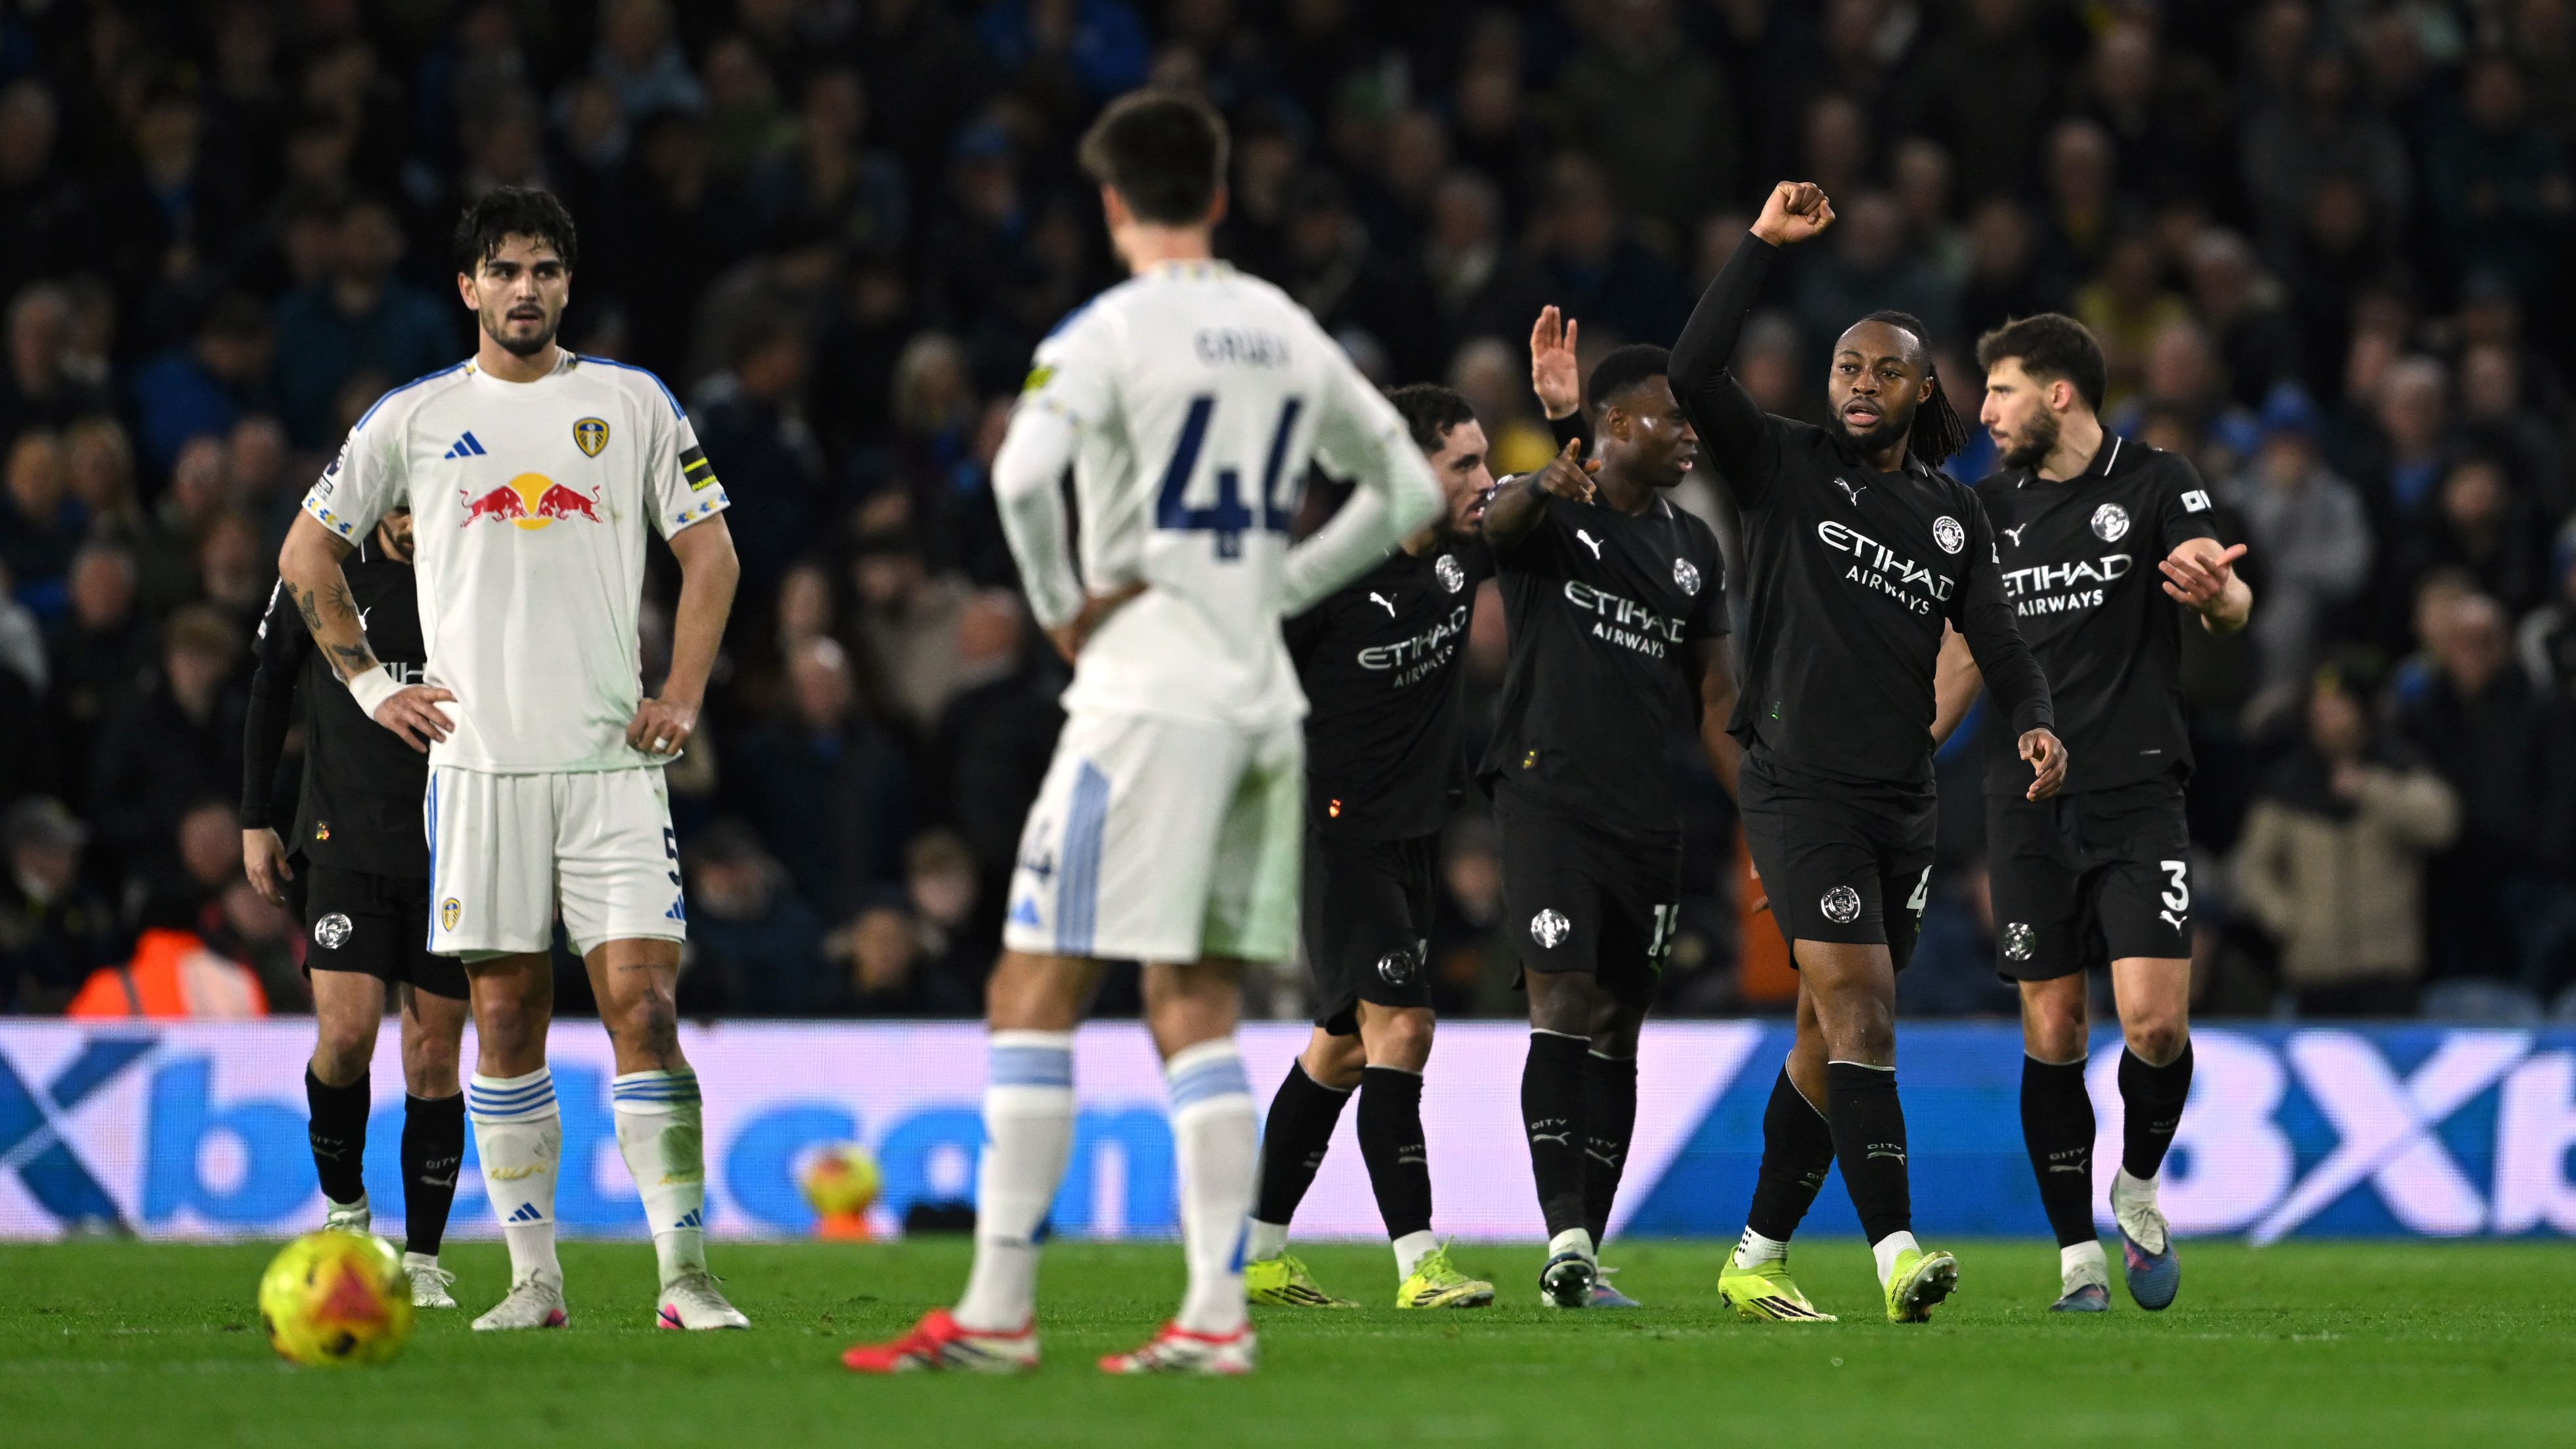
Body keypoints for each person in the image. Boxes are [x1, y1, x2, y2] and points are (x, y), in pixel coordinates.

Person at [841, 89, 1439, 1378]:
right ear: (1216, 197)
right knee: (1194, 1002)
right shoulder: (1283, 327)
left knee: (1032, 986)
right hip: (1259, 710)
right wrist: (1279, 585)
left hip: (1145, 696)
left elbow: (1017, 475)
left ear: (1112, 204)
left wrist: (1060, 605)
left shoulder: (1105, 331)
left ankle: (997, 1312)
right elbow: (1403, 485)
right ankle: (1214, 1317)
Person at [274, 186, 747, 1333]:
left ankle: (685, 1278)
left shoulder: (631, 402)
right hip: (479, 775)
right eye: (503, 270)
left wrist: (682, 693)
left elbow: (712, 553)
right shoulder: (414, 417)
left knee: (645, 1006)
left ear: (566, 285)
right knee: (503, 1020)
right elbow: (305, 556)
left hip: (609, 766)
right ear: (467, 288)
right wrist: (373, 686)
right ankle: (535, 1282)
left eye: (542, 269)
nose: (523, 289)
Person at [1670, 182, 2063, 1326]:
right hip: (1795, 785)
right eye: (1845, 366)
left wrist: (2035, 717)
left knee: (1821, 1032)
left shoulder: (1951, 515)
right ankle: (1895, 1250)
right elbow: (1692, 372)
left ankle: (1754, 1256)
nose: (1856, 383)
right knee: (1862, 1006)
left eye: (1882, 370)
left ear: (1919, 390)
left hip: (1900, 798)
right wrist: (1758, 246)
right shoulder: (1779, 465)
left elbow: (1998, 642)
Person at [1931, 313, 2252, 1314]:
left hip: (2137, 789)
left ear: (2057, 393)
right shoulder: (1983, 511)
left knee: (2152, 1024)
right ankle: (2075, 1254)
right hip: (2024, 801)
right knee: (2055, 1022)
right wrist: (1891, 756)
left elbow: (2223, 589)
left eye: (2001, 390)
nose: (1985, 412)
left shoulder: (2154, 480)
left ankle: (2138, 1185)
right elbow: (1959, 656)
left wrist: (2217, 596)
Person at [1481, 330, 1736, 1311]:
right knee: (1561, 1001)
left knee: (1618, 1028)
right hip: (1548, 800)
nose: (1691, 435)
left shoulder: (1693, 548)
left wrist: (1762, 815)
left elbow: (1714, 696)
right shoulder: (1551, 512)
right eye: (1675, 419)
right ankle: (1564, 1237)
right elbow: (1496, 521)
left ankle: (1584, 1251)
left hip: (1646, 817)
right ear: (1617, 423)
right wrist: (1541, 477)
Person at [1242, 382, 1498, 1313]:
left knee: (1341, 1049)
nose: (1482, 479)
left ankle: (1256, 1253)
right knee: (1404, 1029)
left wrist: (1562, 425)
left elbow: (1550, 500)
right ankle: (1419, 1262)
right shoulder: (1324, 579)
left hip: (1413, 833)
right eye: (1462, 463)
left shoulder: (1461, 551)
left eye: (1483, 459)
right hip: (1337, 833)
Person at [243, 502, 469, 1309]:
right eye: (401, 505)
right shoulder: (321, 569)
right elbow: (271, 681)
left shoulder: (470, 569)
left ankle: (425, 1258)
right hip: (342, 841)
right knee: (344, 1036)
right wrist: (256, 817)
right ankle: (346, 1207)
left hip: (453, 846)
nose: (414, 521)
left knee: (433, 1055)